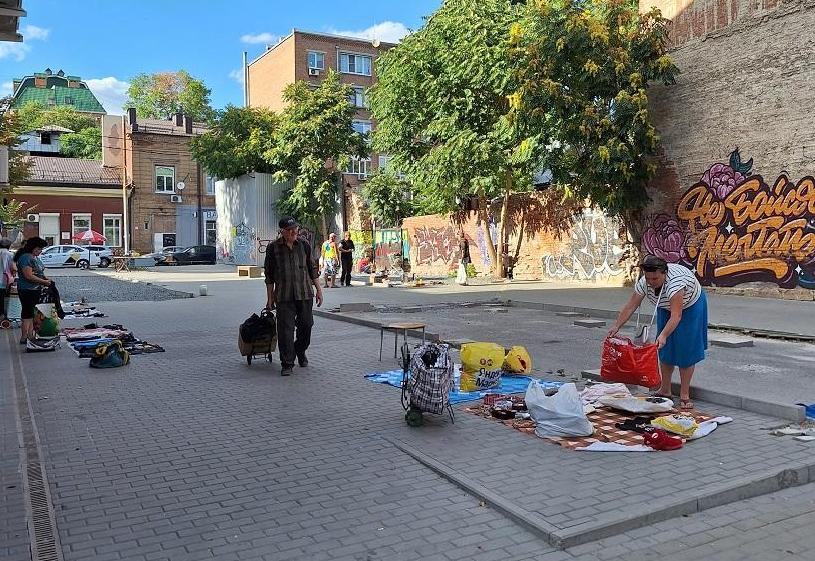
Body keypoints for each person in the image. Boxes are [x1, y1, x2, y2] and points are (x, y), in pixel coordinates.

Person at [608, 255, 707, 410]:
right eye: (648, 278)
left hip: (690, 306)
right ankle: (665, 390)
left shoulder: (675, 284)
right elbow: (630, 306)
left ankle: (684, 394)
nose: (651, 282)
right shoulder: (644, 283)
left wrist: (664, 334)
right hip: (665, 306)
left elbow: (677, 315)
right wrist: (617, 326)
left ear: (664, 274)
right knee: (664, 349)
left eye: (655, 279)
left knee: (686, 349)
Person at [265, 217, 323, 376]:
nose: (293, 232)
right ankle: (287, 363)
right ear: (282, 231)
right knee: (285, 331)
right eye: (289, 230)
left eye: (295, 229)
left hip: (304, 293)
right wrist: (270, 298)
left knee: (307, 325)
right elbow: (269, 276)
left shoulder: (304, 245)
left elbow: (312, 269)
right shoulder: (273, 248)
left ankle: (300, 349)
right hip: (284, 296)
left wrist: (319, 290)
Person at [14, 237, 51, 344]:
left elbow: (37, 272)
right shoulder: (26, 258)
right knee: (27, 312)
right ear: (33, 248)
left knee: (30, 313)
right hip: (27, 289)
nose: (41, 251)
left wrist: (45, 279)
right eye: (39, 249)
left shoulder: (33, 257)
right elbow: (28, 276)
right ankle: (25, 336)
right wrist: (44, 282)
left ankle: (30, 335)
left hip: (34, 289)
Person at [0, 239, 17, 320]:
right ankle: (2, 315)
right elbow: (13, 268)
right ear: (8, 245)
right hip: (4, 280)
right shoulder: (10, 254)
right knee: (3, 298)